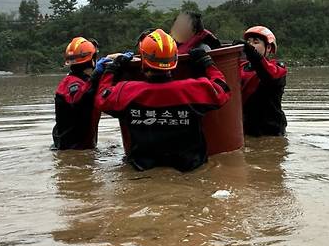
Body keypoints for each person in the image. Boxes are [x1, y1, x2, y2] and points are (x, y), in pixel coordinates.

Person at [96, 29, 231, 171]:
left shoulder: (126, 92)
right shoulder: (195, 89)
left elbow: (101, 98)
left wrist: (112, 69)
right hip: (190, 169)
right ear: (175, 59)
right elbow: (223, 89)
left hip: (143, 170)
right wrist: (206, 62)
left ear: (143, 60)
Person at [52, 36, 111, 150]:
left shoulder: (77, 80)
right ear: (92, 60)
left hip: (69, 145)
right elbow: (81, 99)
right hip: (74, 147)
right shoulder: (75, 84)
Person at [237, 26, 287, 136]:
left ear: (268, 48)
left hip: (271, 131)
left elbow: (268, 73)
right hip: (247, 129)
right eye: (248, 42)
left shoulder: (278, 68)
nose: (250, 44)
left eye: (255, 42)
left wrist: (251, 52)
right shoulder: (240, 67)